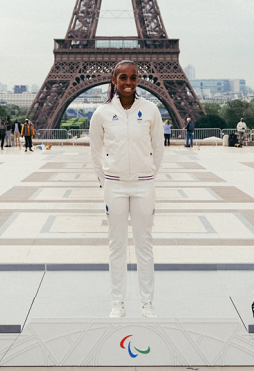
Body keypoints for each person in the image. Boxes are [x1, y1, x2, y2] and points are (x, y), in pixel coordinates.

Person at [90, 60, 164, 318]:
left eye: (133, 78)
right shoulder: (101, 113)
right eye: (123, 77)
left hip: (144, 185)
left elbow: (158, 148)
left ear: (139, 80)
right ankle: (117, 303)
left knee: (145, 246)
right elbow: (95, 152)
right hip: (115, 186)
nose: (128, 82)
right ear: (114, 80)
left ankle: (147, 303)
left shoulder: (151, 110)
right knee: (116, 246)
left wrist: (147, 175)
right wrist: (108, 180)